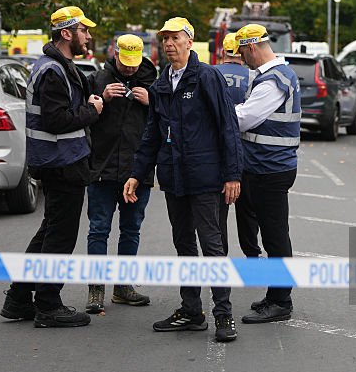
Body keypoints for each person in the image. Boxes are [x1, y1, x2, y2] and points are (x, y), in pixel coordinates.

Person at [123, 17, 243, 342]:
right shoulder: (162, 84)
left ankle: (224, 315)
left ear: (190, 41)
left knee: (213, 247)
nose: (169, 44)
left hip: (206, 179)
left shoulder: (207, 77)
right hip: (174, 180)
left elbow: (227, 127)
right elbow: (152, 134)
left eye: (175, 38)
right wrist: (137, 173)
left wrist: (233, 174)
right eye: (165, 39)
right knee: (184, 246)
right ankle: (191, 311)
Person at [0, 6, 104, 328]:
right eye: (83, 31)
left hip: (60, 161)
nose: (88, 36)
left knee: (49, 231)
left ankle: (18, 298)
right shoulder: (52, 71)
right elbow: (57, 120)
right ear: (66, 33)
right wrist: (92, 110)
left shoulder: (59, 66)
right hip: (61, 162)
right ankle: (47, 305)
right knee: (60, 235)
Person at [231, 23, 301, 324]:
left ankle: (281, 301)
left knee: (275, 237)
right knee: (273, 234)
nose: (241, 59)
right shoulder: (272, 76)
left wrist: (216, 115)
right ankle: (275, 296)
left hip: (271, 169)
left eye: (241, 53)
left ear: (251, 48)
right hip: (265, 166)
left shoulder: (274, 80)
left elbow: (245, 118)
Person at [84, 34, 156, 313]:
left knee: (131, 229)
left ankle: (123, 287)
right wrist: (101, 100)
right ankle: (96, 289)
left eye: (133, 64)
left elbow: (168, 120)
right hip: (102, 169)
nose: (129, 69)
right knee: (98, 229)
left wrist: (152, 102)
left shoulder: (153, 83)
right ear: (114, 53)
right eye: (124, 63)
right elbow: (84, 116)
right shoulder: (98, 79)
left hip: (137, 171)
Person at [215, 33, 262, 260]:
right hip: (247, 153)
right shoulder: (254, 77)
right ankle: (252, 254)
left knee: (218, 212)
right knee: (248, 211)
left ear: (224, 51)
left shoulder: (211, 74)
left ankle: (219, 256)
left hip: (218, 153)